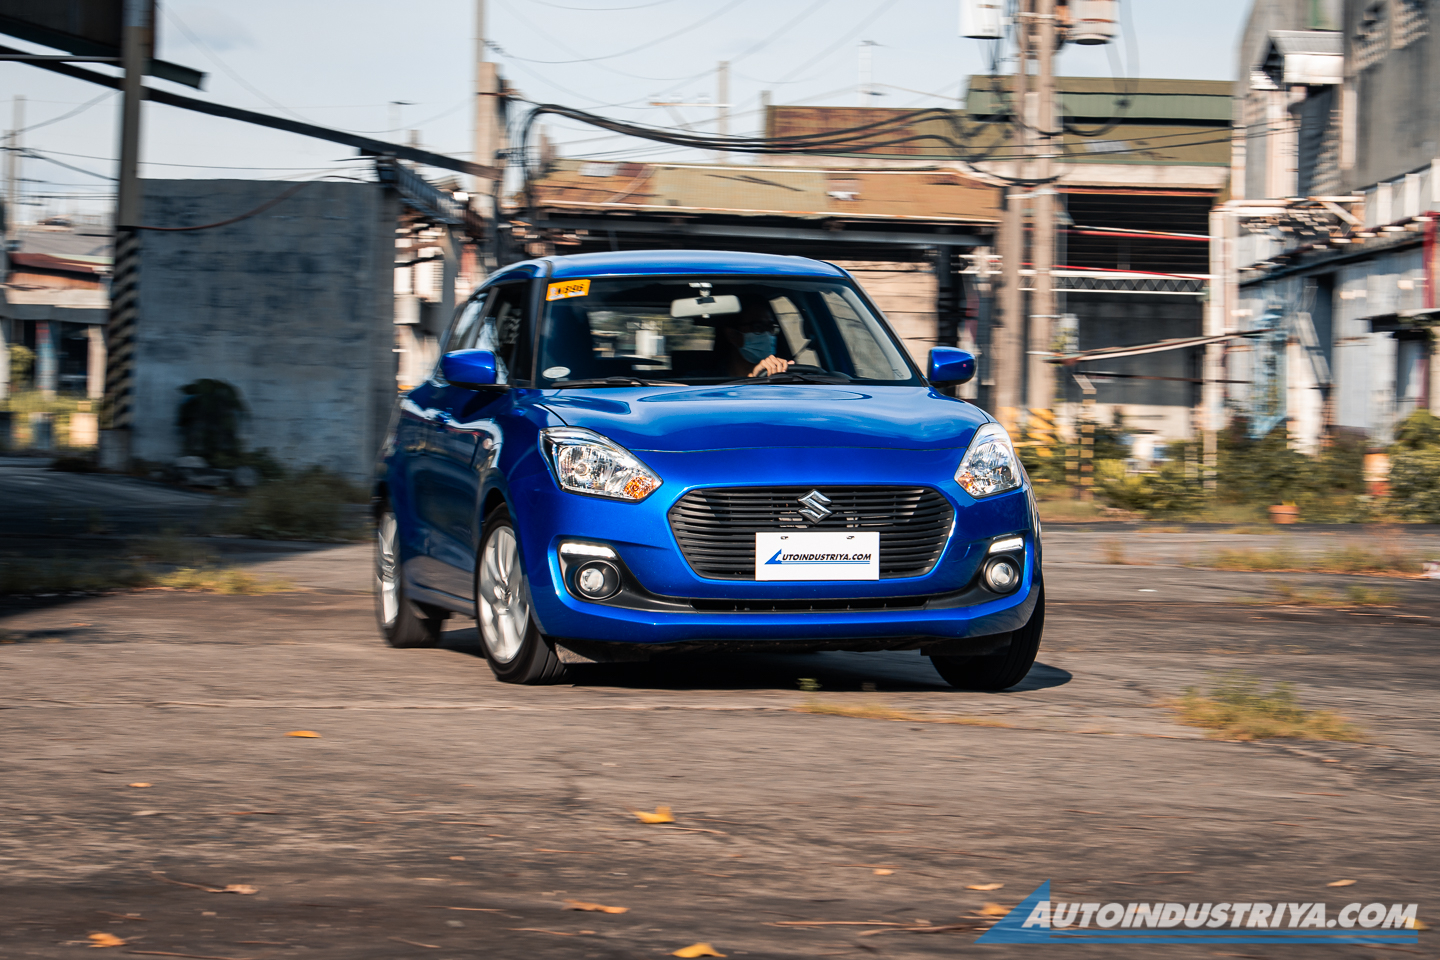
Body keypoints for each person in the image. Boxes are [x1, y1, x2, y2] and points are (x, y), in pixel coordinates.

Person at [717, 299, 794, 378]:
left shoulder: (783, 376)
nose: (767, 335)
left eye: (771, 328)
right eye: (758, 327)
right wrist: (753, 378)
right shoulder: (708, 380)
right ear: (732, 334)